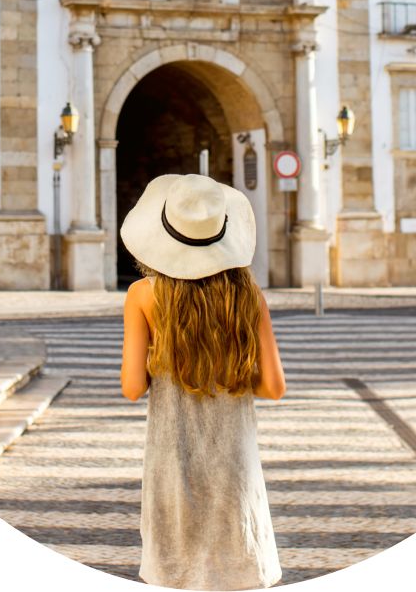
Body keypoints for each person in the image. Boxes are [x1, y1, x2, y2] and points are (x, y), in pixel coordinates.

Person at [120, 172, 286, 590]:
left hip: (172, 461)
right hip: (235, 463)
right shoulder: (249, 295)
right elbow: (274, 387)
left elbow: (132, 387)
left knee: (174, 572)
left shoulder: (143, 295)